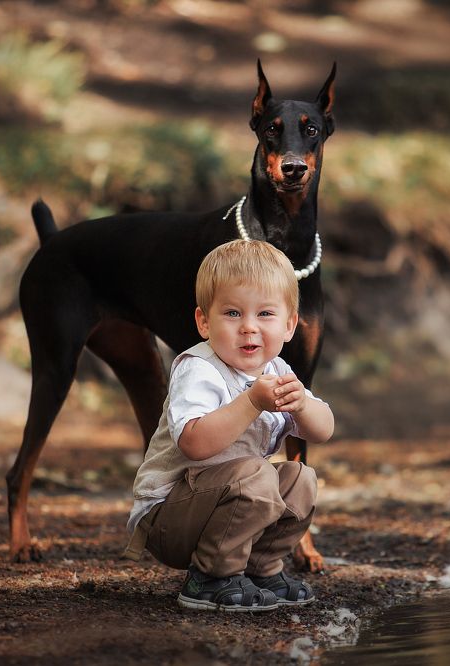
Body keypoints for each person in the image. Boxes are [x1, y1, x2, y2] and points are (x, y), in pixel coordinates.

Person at [122, 239, 335, 612]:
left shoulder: (277, 370)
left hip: (227, 508)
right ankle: (210, 577)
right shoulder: (199, 369)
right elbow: (195, 443)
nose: (249, 328)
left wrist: (302, 405)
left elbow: (323, 430)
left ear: (289, 325)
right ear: (204, 322)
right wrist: (251, 403)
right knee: (256, 475)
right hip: (170, 517)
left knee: (300, 479)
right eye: (233, 313)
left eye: (265, 314)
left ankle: (260, 568)